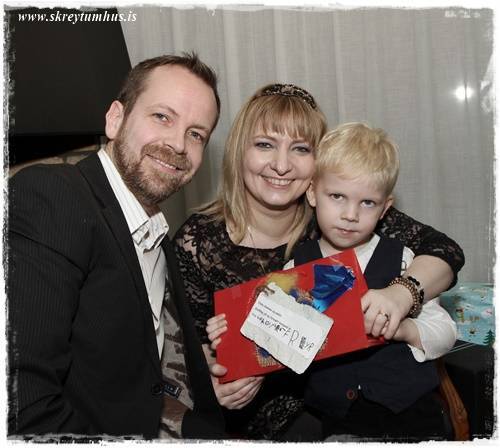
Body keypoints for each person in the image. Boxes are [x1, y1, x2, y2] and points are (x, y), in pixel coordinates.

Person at [174, 84, 464, 440]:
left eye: (300, 148)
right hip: (290, 418)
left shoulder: (345, 216)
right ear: (239, 150)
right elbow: (186, 346)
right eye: (264, 144)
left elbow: (445, 251)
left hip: (374, 415)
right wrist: (221, 353)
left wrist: (402, 295)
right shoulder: (200, 239)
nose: (281, 165)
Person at [8, 53, 225, 439]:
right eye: (162, 116)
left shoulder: (158, 236)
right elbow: (21, 401)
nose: (178, 144)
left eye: (196, 134)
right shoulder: (55, 197)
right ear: (115, 119)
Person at [283, 122, 457, 440]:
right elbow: (279, 345)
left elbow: (445, 332)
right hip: (336, 422)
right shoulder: (296, 267)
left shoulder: (404, 260)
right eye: (337, 196)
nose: (351, 214)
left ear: (385, 208)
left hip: (413, 417)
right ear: (312, 193)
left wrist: (404, 329)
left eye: (367, 203)